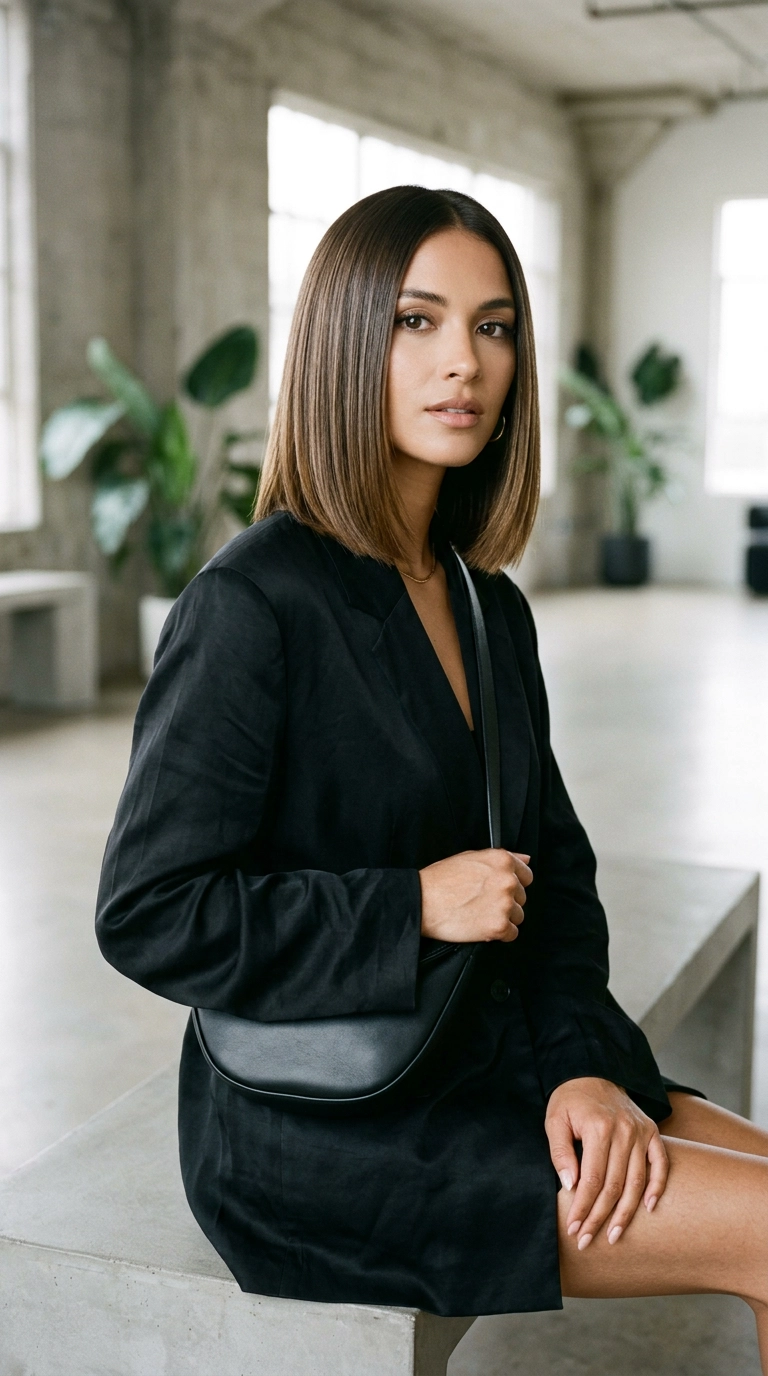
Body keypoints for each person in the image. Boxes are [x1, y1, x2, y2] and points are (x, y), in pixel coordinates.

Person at [96, 186, 768, 1360]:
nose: (464, 360)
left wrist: (581, 1073)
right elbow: (150, 912)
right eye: (418, 320)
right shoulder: (253, 605)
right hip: (327, 1133)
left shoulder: (485, 603)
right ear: (346, 338)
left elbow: (553, 873)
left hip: (490, 1054)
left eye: (495, 325)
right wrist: (409, 901)